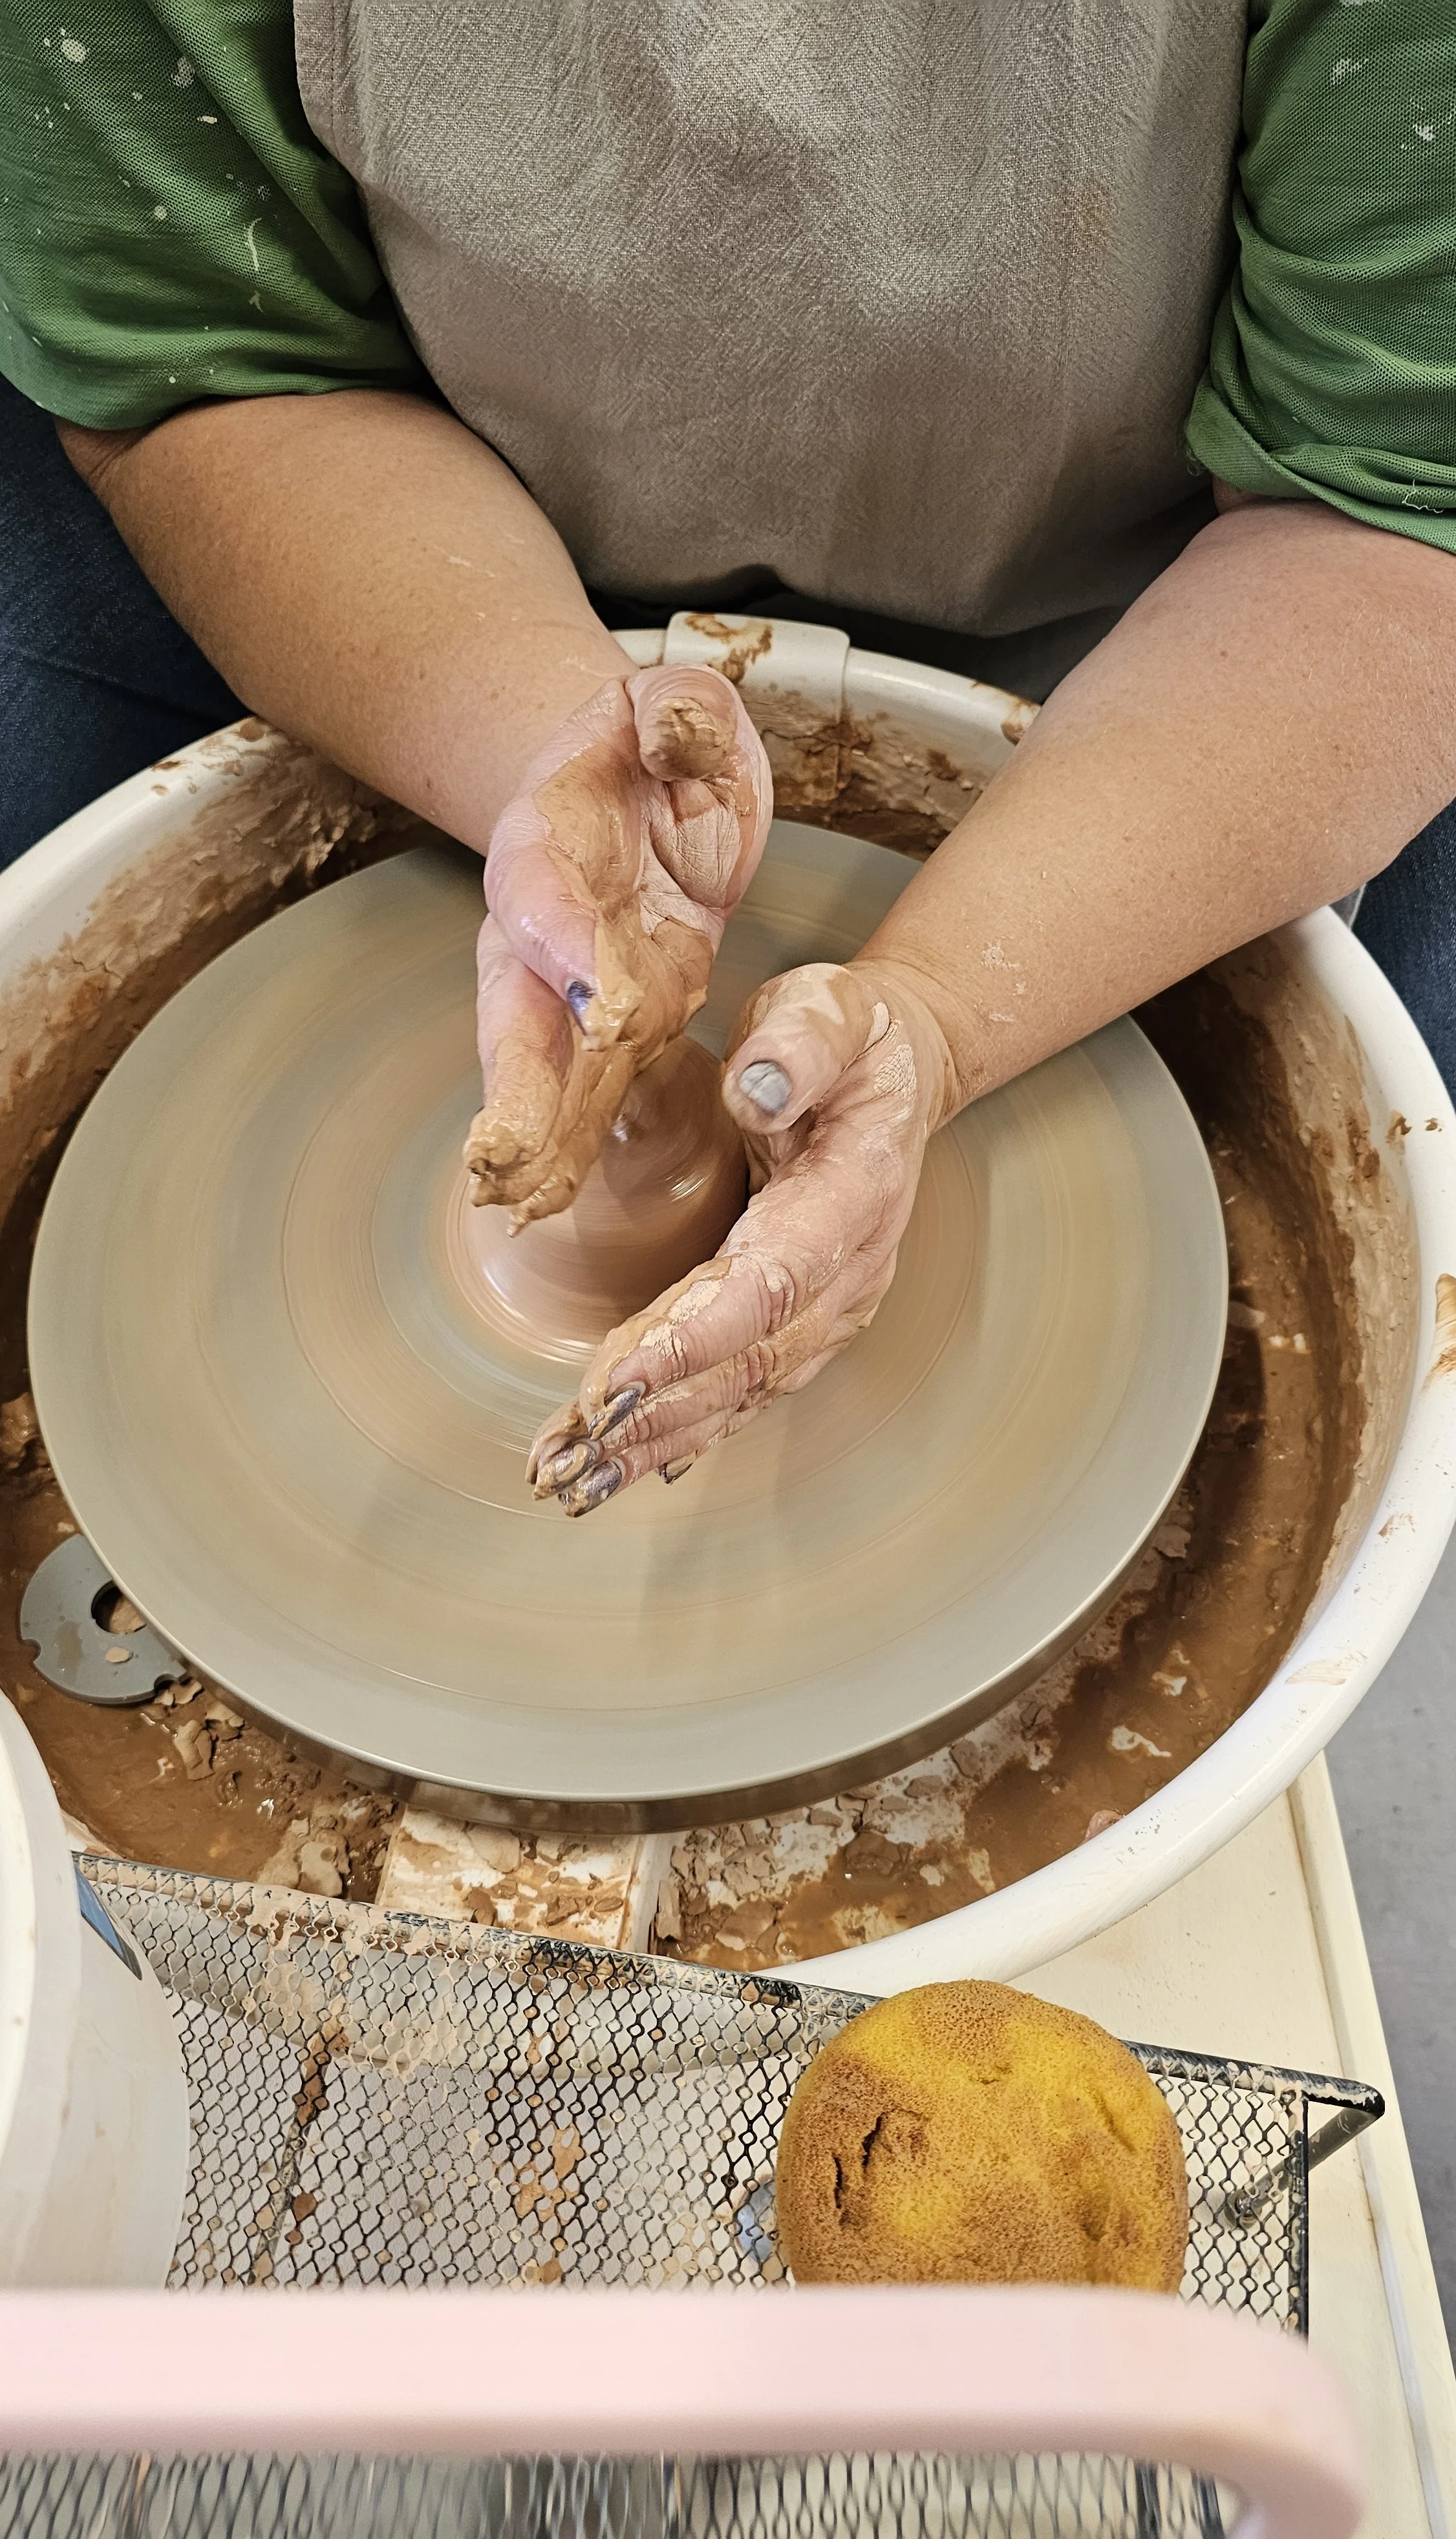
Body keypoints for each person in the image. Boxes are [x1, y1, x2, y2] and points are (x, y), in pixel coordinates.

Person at [3, 0, 1454, 1513]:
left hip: (1168, 582)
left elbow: (1386, 502)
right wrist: (542, 760)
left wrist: (942, 1015)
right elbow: (219, 355)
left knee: (1383, 1108)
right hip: (413, 529)